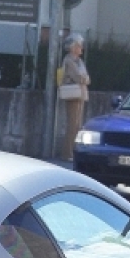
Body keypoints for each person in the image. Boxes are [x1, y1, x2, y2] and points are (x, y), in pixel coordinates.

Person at [59, 33, 91, 162]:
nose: (81, 48)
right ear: (73, 47)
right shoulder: (69, 60)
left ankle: (72, 151)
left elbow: (87, 78)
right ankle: (67, 153)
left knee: (77, 125)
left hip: (80, 95)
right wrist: (84, 79)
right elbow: (79, 77)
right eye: (79, 46)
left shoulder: (79, 61)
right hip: (73, 95)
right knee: (72, 125)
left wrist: (84, 79)